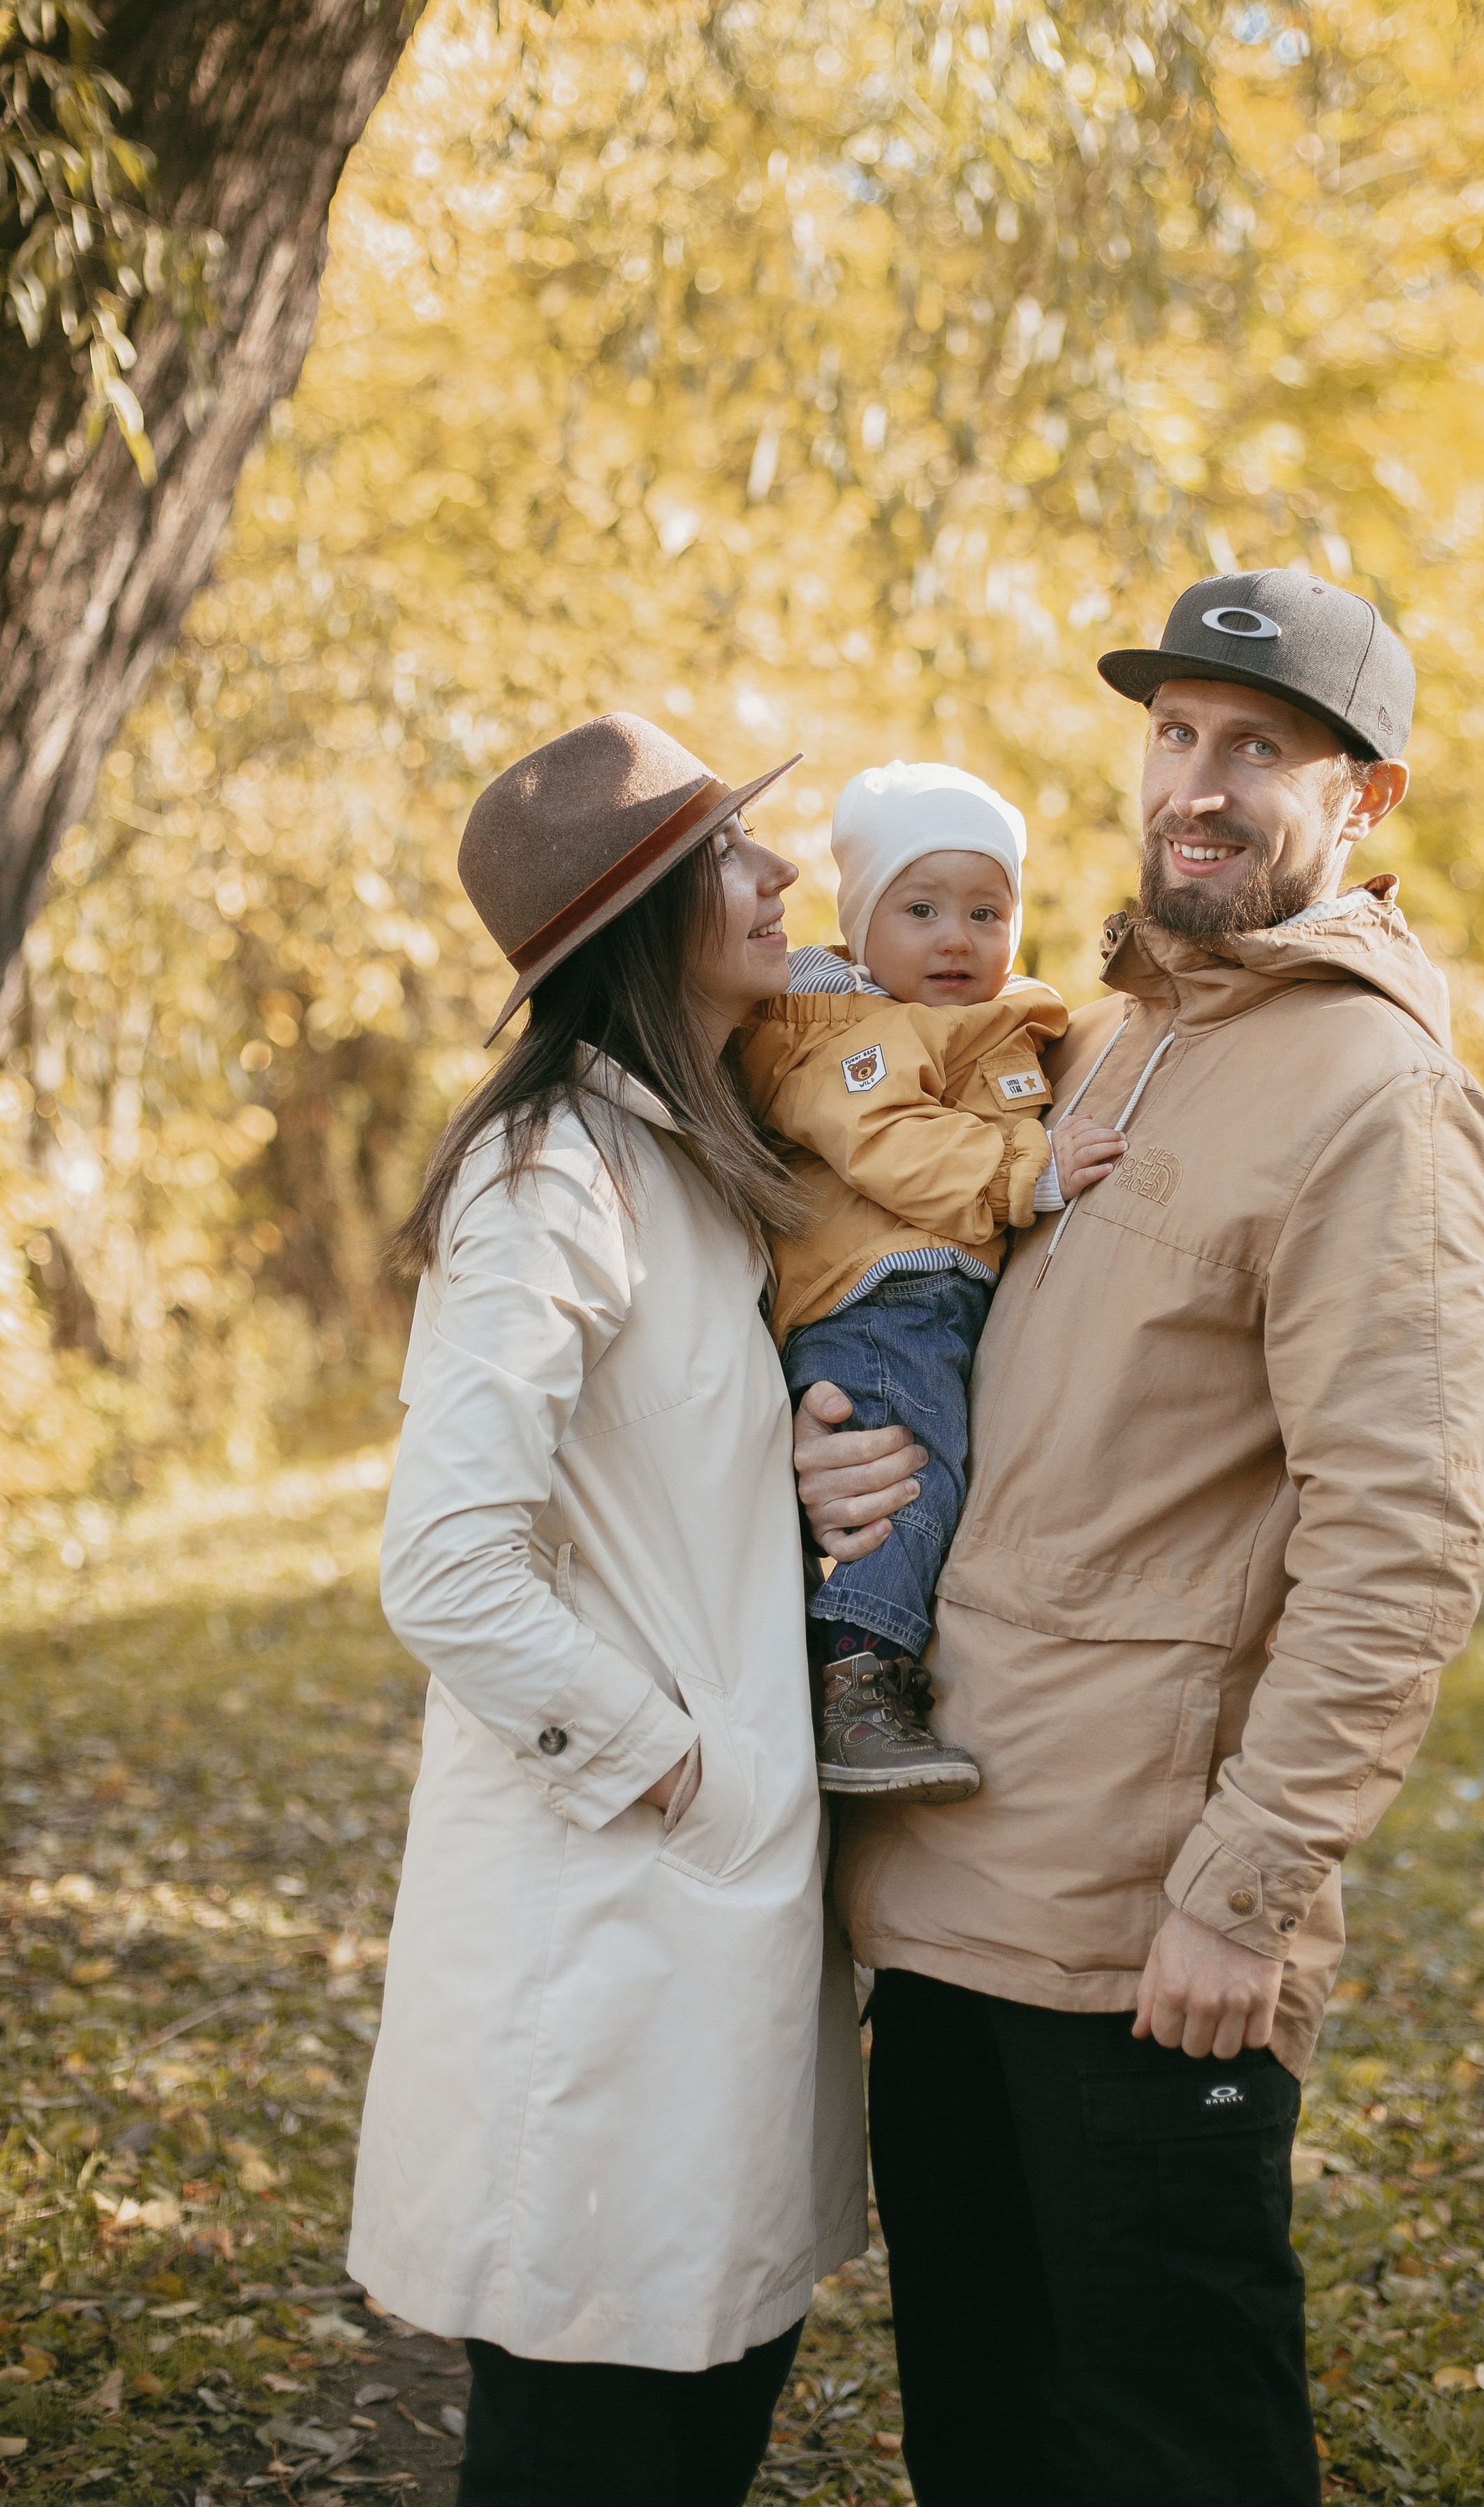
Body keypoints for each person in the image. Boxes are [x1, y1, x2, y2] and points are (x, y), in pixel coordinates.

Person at [795, 569, 1484, 2506]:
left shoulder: (1374, 1098)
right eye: (1174, 733)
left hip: (1139, 1932)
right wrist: (822, 1455)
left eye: (1256, 747)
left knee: (1168, 2454)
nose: (1195, 782)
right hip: (944, 1879)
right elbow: (965, 1360)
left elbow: (1401, 1543)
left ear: (1366, 798)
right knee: (988, 2441)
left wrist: (1241, 1891)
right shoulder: (1093, 1043)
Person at [347, 713, 867, 2507]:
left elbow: (661, 1475)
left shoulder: (696, 1159)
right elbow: (447, 1565)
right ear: (640, 921)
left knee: (710, 2399)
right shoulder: (548, 1176)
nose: (779, 871)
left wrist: (807, 1473)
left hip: (718, 1921)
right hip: (611, 1917)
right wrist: (679, 1769)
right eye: (729, 853)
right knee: (588, 2435)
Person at [738, 761, 1125, 1800]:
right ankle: (855, 1682)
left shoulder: (1000, 1024)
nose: (957, 938)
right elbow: (890, 1142)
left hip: (935, 1302)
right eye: (921, 911)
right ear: (860, 926)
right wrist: (1028, 1171)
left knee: (935, 1475)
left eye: (985, 913)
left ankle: (859, 1668)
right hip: (877, 1300)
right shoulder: (840, 1036)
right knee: (910, 1479)